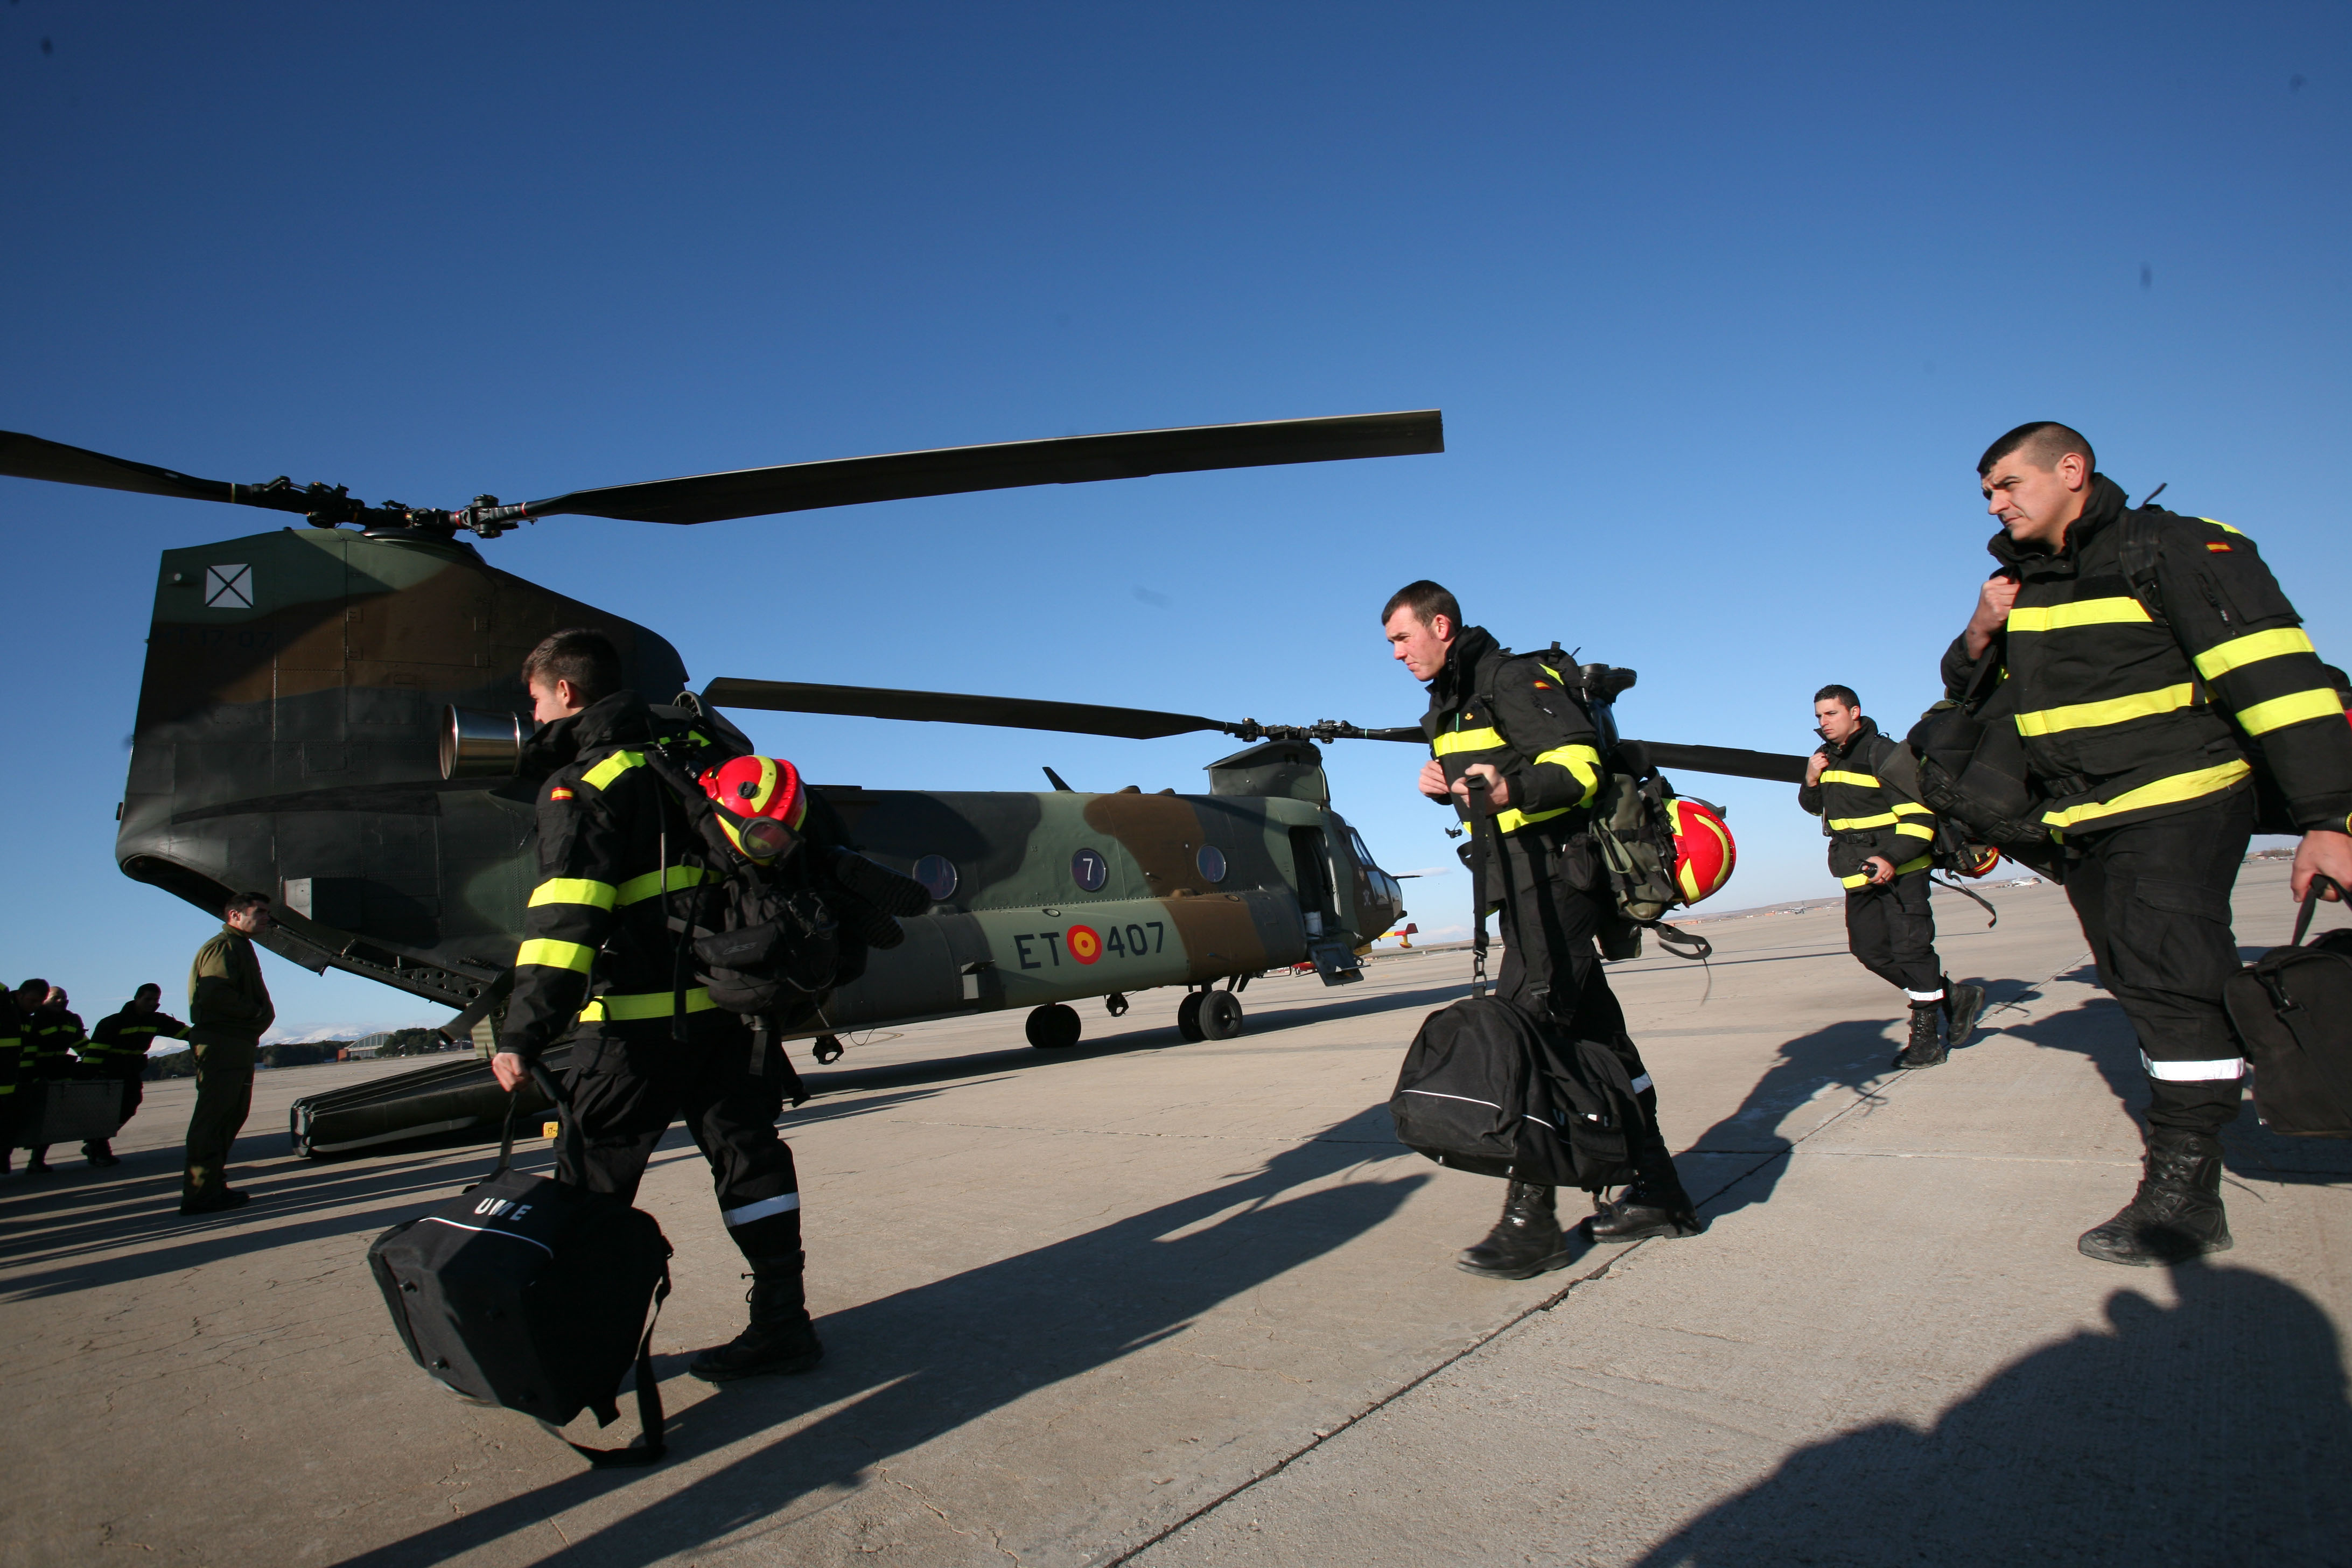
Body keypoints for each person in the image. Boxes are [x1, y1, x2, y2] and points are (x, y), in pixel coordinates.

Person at [1950, 422, 2352, 1266]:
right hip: (2087, 820)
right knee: (2146, 983)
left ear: (2072, 470)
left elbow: (2276, 677)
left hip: (2182, 796)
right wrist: (1981, 630)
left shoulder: (2173, 548)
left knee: (2169, 983)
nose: (1994, 505)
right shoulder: (2025, 586)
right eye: (1987, 493)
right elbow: (1973, 695)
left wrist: (2328, 817)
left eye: (2009, 485)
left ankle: (2185, 1197)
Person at [488, 628, 818, 1382]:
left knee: (589, 1191)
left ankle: (579, 1357)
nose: (534, 715)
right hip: (730, 1014)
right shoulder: (689, 760)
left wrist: (523, 1031)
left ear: (566, 692)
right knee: (751, 1162)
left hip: (635, 1028)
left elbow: (567, 916)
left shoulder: (587, 781)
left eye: (535, 700)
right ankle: (783, 1323)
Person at [1383, 579, 1701, 1278]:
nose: (1398, 654)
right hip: (1521, 885)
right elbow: (1491, 779)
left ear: (1441, 626)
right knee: (1601, 1039)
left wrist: (1510, 789)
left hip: (1560, 878)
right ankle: (1660, 1191)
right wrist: (1445, 784)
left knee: (1524, 1030)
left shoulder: (1510, 677)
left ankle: (1532, 1223)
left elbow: (1578, 767)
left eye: (1403, 638)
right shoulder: (1452, 703)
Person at [1798, 685, 1986, 1067]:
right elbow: (1817, 809)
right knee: (1870, 952)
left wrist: (1890, 858)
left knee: (1912, 953)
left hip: (1902, 871)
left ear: (1854, 712)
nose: (1823, 722)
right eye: (1819, 716)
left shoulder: (1884, 753)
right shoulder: (1826, 758)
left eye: (1831, 714)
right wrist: (1811, 779)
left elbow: (1920, 817)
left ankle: (1926, 1042)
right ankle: (1952, 996)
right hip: (1857, 874)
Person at [183, 893, 277, 1215]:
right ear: (235, 915)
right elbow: (215, 994)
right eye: (259, 912)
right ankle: (200, 1193)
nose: (266, 918)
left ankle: (210, 1186)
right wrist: (253, 1013)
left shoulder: (239, 945)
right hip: (224, 1040)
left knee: (230, 1115)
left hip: (235, 1041)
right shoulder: (223, 947)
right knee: (215, 1118)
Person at [80, 984, 188, 1167]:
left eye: (156, 1000)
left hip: (131, 1073)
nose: (153, 1003)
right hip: (107, 1075)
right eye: (148, 999)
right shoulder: (112, 1023)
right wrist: (88, 1079)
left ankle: (97, 1142)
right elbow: (94, 1056)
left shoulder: (156, 1021)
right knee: (105, 1113)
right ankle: (98, 1145)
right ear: (137, 998)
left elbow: (187, 1034)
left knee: (130, 1106)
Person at [19, 984, 88, 1175]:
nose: (61, 1001)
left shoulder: (70, 1021)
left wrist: (94, 1063)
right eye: (56, 997)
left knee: (51, 1121)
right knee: (22, 1120)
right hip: (34, 1075)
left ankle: (37, 1160)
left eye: (64, 998)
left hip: (59, 1075)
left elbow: (82, 1045)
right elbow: (27, 1053)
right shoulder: (34, 1022)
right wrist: (31, 1079)